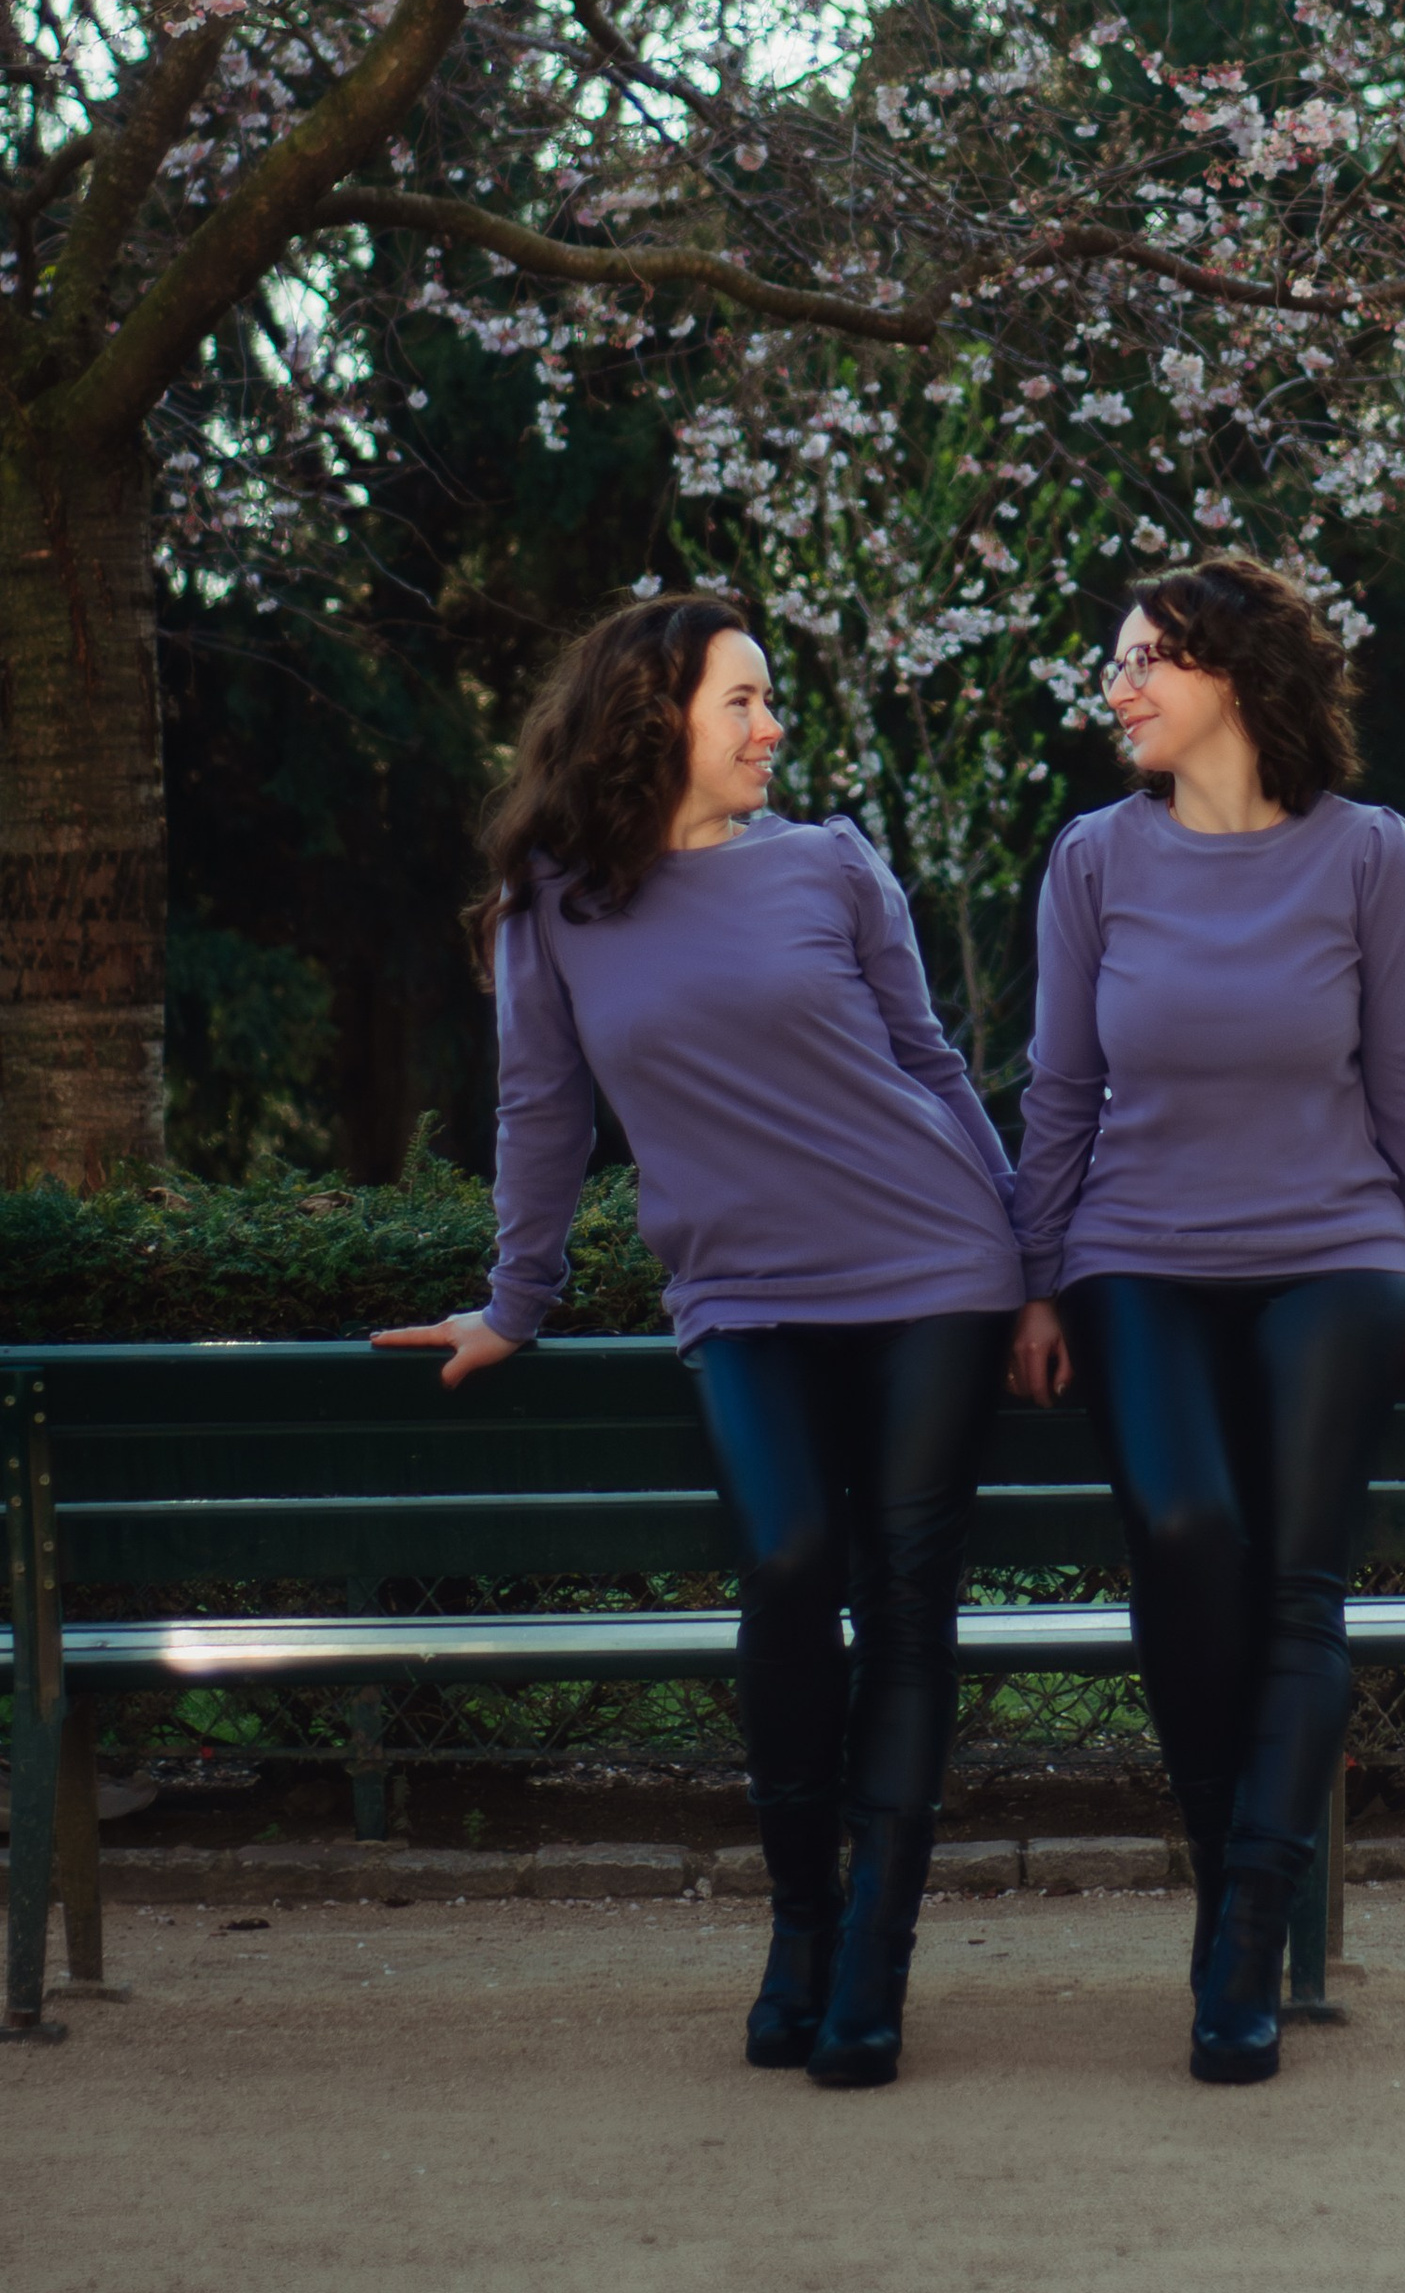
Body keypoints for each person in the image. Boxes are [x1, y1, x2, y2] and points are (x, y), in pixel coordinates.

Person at [374, 591, 1023, 2091]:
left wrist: (1029, 1258)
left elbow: (932, 1062)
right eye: (743, 700)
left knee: (908, 1595)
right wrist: (512, 1301)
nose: (771, 727)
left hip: (935, 1264)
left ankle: (875, 1956)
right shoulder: (556, 904)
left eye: (769, 699)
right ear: (652, 716)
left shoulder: (834, 865)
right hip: (741, 1296)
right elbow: (543, 1111)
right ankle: (802, 1921)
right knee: (790, 1559)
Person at [1008, 553, 1405, 2085]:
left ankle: (1238, 1939)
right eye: (1117, 662)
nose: (1122, 686)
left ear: (1238, 676)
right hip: (1137, 1254)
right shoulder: (1094, 860)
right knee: (1183, 1531)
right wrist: (1035, 1278)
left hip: (1332, 1251)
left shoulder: (1374, 858)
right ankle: (1243, 1876)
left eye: (1150, 657)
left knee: (1296, 1586)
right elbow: (1060, 1090)